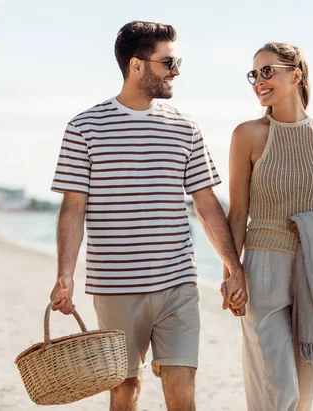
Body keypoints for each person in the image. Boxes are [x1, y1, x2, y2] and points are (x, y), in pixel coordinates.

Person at [49, 21, 247, 411]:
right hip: (115, 285)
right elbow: (73, 207)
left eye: (177, 61)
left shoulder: (186, 128)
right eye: (168, 62)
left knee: (182, 386)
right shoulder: (84, 127)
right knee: (125, 389)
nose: (176, 71)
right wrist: (65, 275)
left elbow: (207, 205)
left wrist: (233, 267)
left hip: (178, 283)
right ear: (137, 65)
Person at [224, 42, 313, 410]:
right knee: (278, 391)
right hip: (264, 266)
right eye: (254, 74)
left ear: (295, 75)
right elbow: (237, 214)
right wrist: (232, 271)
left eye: (268, 71)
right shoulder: (247, 135)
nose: (259, 81)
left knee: (304, 396)